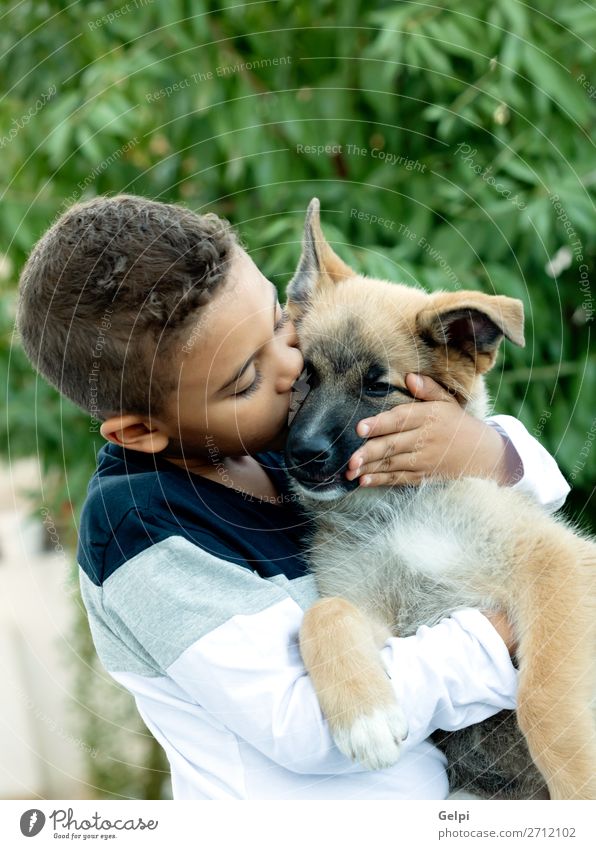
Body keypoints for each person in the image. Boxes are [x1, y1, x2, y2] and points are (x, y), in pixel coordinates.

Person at [16, 194, 569, 800]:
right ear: (143, 432)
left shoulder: (275, 446)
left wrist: (481, 451)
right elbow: (302, 725)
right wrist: (501, 635)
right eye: (246, 379)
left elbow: (532, 492)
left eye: (283, 324)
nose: (291, 368)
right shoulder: (143, 529)